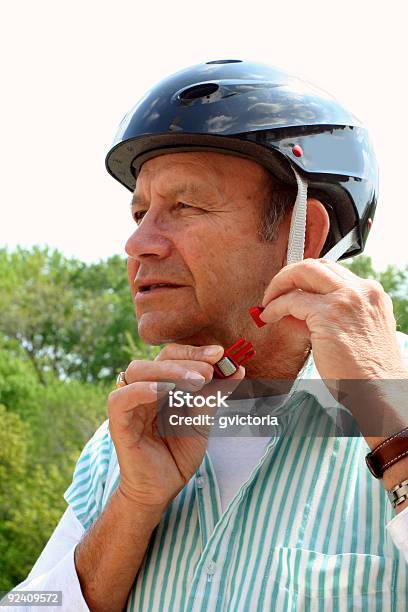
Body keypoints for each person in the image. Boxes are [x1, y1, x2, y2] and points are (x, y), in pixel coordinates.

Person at [5, 60, 408, 612]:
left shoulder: (399, 400)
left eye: (184, 206)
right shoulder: (127, 433)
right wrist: (133, 504)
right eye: (140, 211)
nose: (137, 243)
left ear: (304, 233)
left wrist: (389, 417)